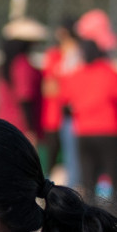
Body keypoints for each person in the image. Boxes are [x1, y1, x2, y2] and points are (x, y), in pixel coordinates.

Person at [59, 39, 117, 206]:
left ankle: (89, 217)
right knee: (115, 177)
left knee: (88, 180)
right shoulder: (110, 73)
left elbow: (65, 104)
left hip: (84, 132)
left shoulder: (75, 75)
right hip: (109, 131)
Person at [39, 19, 81, 179]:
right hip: (53, 116)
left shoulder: (78, 56)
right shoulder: (54, 56)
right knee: (50, 158)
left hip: (72, 117)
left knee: (72, 162)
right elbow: (49, 87)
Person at [0, 17, 45, 143]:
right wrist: (30, 130)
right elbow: (25, 98)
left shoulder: (5, 65)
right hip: (20, 127)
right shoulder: (22, 65)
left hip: (3, 123)